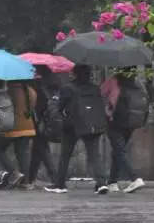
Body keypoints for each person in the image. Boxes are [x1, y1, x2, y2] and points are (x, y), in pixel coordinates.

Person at [45, 64, 110, 194]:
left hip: (72, 125)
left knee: (65, 155)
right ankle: (101, 183)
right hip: (92, 125)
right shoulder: (95, 88)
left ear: (75, 74)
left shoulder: (67, 88)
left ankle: (60, 184)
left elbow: (59, 107)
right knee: (94, 155)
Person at [102, 67, 147, 193]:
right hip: (131, 121)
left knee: (120, 151)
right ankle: (112, 181)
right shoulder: (138, 83)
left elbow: (100, 93)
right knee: (118, 150)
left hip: (115, 121)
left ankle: (135, 178)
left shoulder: (113, 80)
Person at [0, 79, 35, 189]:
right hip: (28, 127)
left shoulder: (9, 92)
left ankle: (14, 173)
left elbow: (4, 109)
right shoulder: (31, 91)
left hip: (13, 127)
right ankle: (26, 182)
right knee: (23, 154)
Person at [26, 66, 60, 189]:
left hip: (40, 124)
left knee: (43, 151)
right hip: (47, 123)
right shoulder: (52, 86)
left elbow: (38, 107)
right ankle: (30, 179)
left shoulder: (38, 87)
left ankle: (56, 179)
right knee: (38, 151)